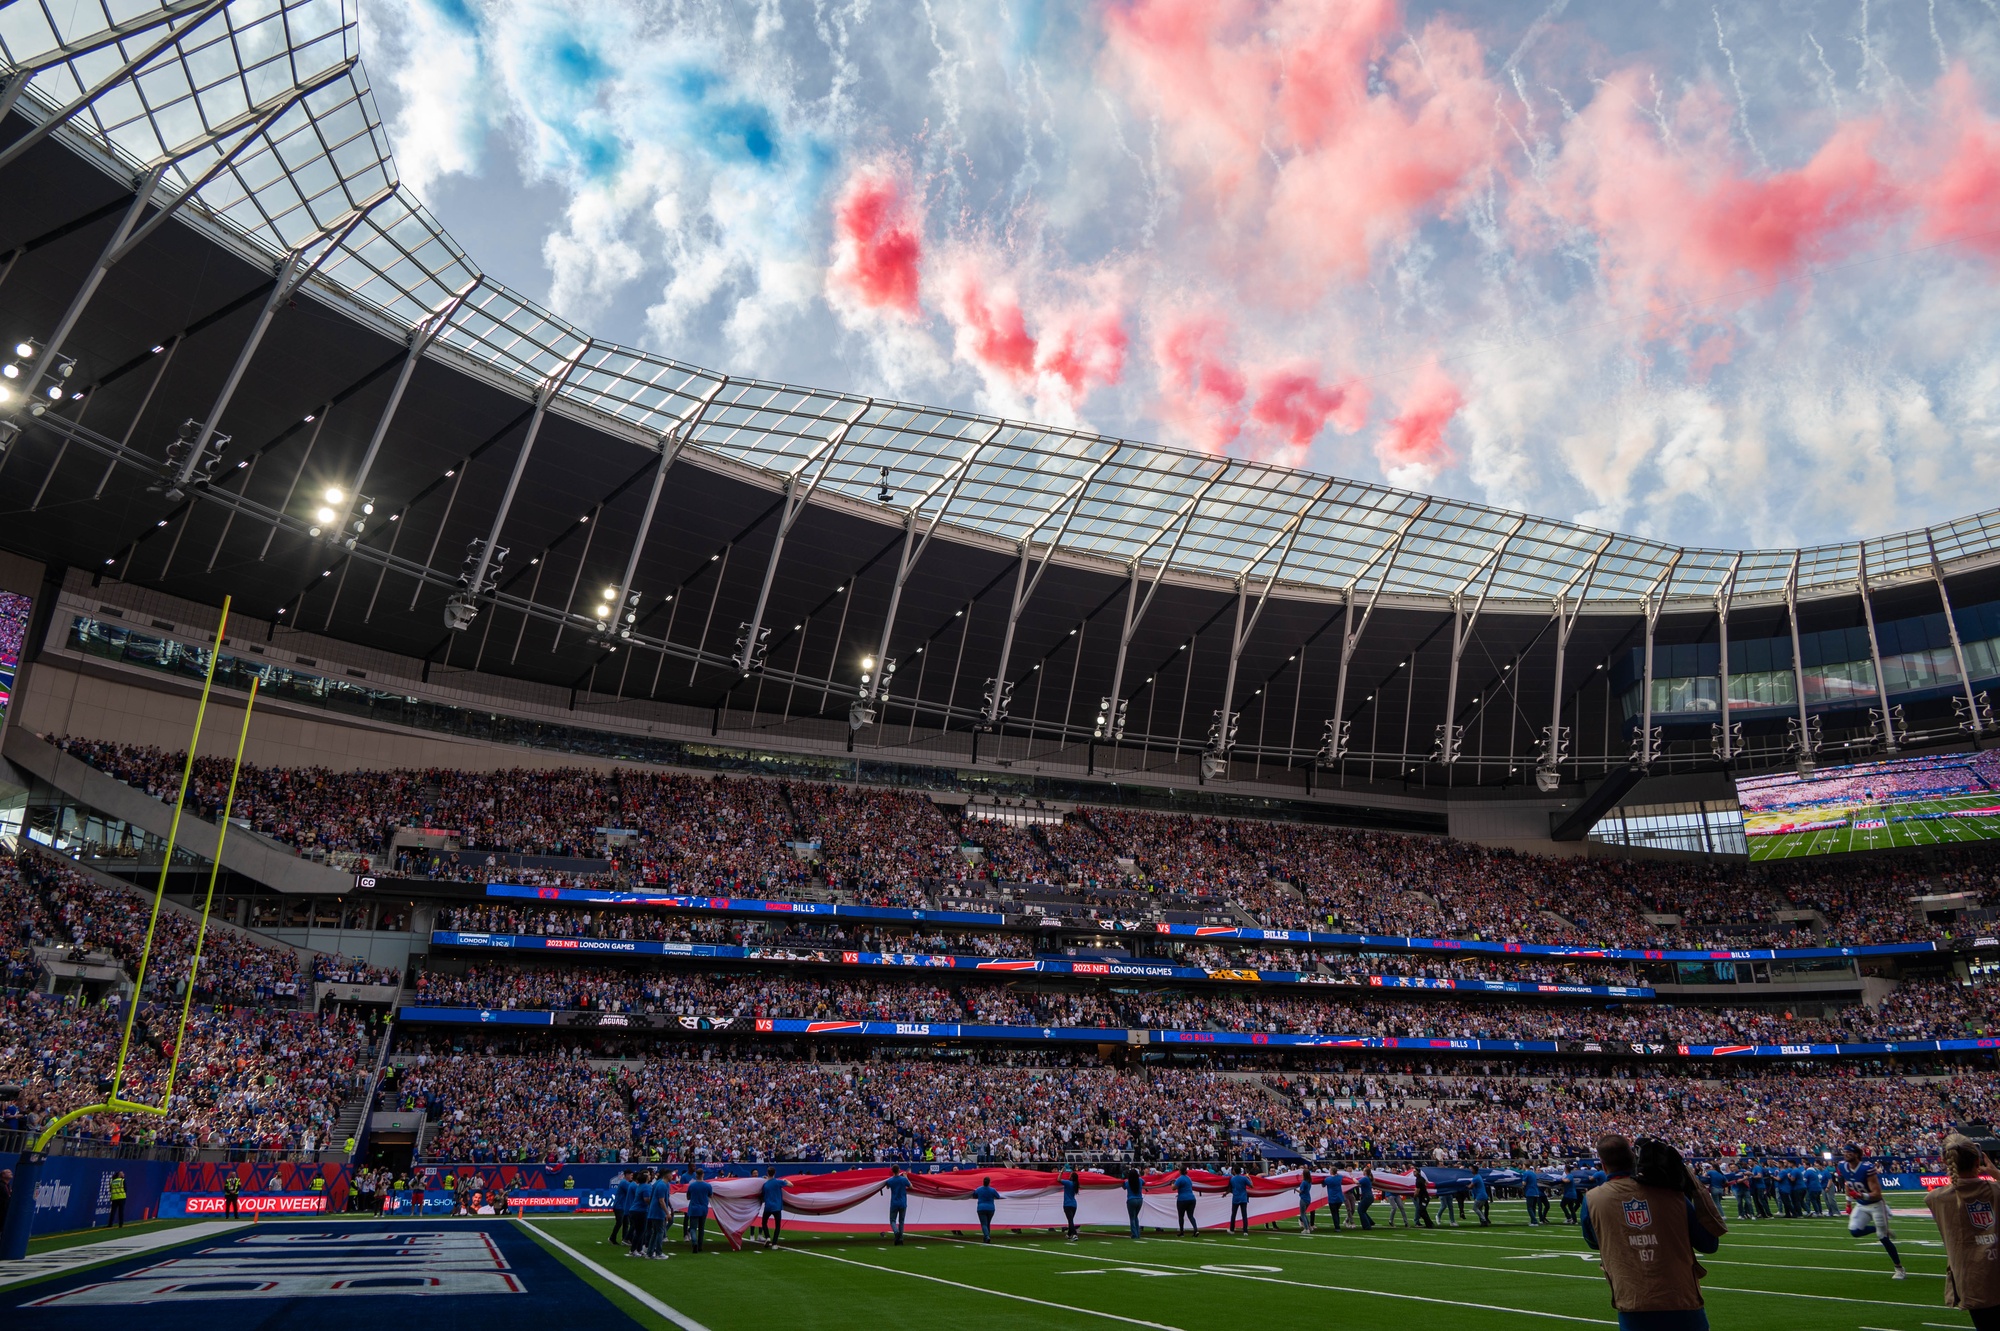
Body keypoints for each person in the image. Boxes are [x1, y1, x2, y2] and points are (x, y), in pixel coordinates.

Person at [1580, 1135, 1725, 1331]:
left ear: (1603, 1165)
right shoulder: (1673, 1194)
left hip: (1633, 1300)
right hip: (1682, 1298)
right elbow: (1709, 1244)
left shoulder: (1592, 1200)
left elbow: (1594, 1242)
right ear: (1634, 1159)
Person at [1929, 1133, 2000, 1328]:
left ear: (1944, 1161)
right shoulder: (1995, 1189)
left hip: (1971, 1280)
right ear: (1978, 1160)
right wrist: (1996, 1173)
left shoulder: (1937, 1198)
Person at [1839, 1144, 1908, 1280]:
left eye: (1849, 1152)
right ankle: (1878, 1228)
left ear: (1857, 1154)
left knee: (1883, 1237)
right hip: (1861, 1205)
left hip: (1876, 1205)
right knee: (1854, 1231)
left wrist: (1860, 1196)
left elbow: (1877, 1194)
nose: (1846, 1154)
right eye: (1844, 1152)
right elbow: (1848, 1184)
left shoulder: (1867, 1168)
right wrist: (1848, 1202)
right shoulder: (1842, 1166)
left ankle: (1899, 1268)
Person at [685, 1168, 712, 1253]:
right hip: (703, 1208)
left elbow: (688, 1197)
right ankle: (700, 1246)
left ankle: (694, 1241)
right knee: (701, 1228)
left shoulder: (692, 1185)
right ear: (703, 1175)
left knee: (693, 1228)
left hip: (694, 1208)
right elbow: (710, 1196)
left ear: (696, 1175)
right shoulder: (708, 1185)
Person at [759, 1168, 786, 1245]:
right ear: (775, 1172)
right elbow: (791, 1185)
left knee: (764, 1223)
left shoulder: (765, 1184)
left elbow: (763, 1195)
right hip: (777, 1207)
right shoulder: (778, 1182)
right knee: (777, 1225)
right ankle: (774, 1243)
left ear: (767, 1173)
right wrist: (785, 1180)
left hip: (768, 1206)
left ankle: (767, 1237)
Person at [887, 1166, 910, 1245]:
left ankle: (896, 1233)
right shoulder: (903, 1179)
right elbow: (910, 1186)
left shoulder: (890, 1180)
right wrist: (906, 1177)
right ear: (899, 1170)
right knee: (901, 1221)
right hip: (902, 1202)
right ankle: (900, 1238)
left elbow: (887, 1186)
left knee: (892, 1220)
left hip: (894, 1202)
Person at [974, 1177, 1000, 1244]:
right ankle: (986, 1237)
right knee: (988, 1223)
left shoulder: (979, 1189)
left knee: (984, 1224)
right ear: (989, 1182)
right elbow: (998, 1196)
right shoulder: (992, 1190)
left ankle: (987, 1236)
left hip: (981, 1208)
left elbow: (974, 1195)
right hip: (991, 1208)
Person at [1173, 1167, 1198, 1236]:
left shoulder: (1180, 1179)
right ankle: (1195, 1230)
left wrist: (1172, 1183)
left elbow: (1173, 1188)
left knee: (1181, 1216)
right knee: (1190, 1215)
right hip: (1192, 1198)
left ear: (1180, 1171)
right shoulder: (1189, 1179)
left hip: (1182, 1199)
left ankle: (1181, 1232)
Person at [1124, 1166, 1145, 1239]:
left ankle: (1134, 1234)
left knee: (1132, 1218)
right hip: (1139, 1200)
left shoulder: (1128, 1182)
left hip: (1131, 1200)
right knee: (1136, 1217)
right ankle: (1138, 1233)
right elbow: (1144, 1183)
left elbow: (1124, 1187)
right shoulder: (1140, 1180)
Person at [1061, 1167, 1081, 1242]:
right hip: (1074, 1205)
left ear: (1072, 1177)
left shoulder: (1068, 1183)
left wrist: (1061, 1172)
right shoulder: (1075, 1184)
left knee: (1070, 1221)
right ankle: (1069, 1234)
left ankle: (1075, 1234)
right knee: (1071, 1220)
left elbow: (1058, 1180)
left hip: (1067, 1204)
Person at [1325, 1165, 1345, 1232]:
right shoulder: (1339, 1177)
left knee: (1334, 1213)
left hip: (1332, 1199)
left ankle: (1337, 1227)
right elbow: (1341, 1176)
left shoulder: (1328, 1179)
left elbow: (1323, 1184)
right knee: (1337, 1212)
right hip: (1339, 1198)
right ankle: (1337, 1226)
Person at [1356, 1165, 1376, 1230]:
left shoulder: (1365, 1178)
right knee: (1362, 1210)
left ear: (1365, 1172)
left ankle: (1367, 1226)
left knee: (1360, 1210)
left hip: (1367, 1196)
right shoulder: (1368, 1178)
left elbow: (1357, 1182)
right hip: (1369, 1196)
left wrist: (1352, 1177)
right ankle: (1370, 1222)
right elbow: (1359, 1184)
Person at [1295, 1167, 1314, 1234]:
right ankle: (1309, 1226)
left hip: (1303, 1199)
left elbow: (1301, 1191)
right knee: (1304, 1214)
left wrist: (1295, 1189)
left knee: (1302, 1214)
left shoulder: (1304, 1182)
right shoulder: (1309, 1182)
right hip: (1308, 1198)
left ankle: (1306, 1229)